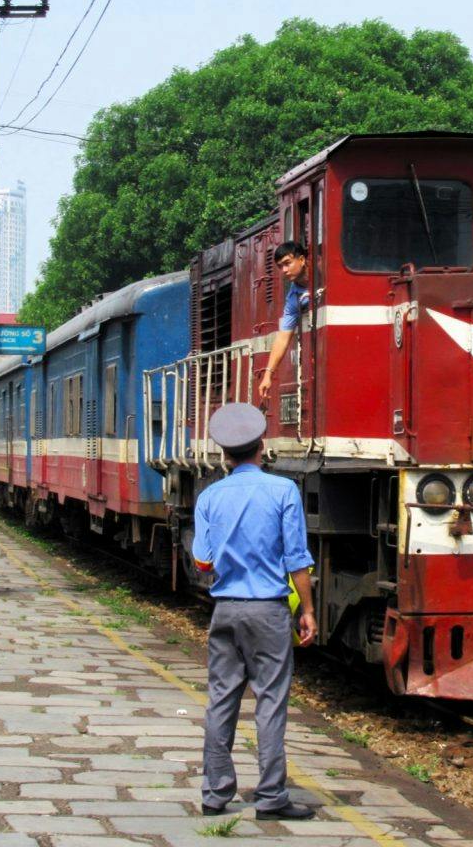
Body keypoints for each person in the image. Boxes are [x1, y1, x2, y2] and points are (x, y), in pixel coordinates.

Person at [193, 402, 317, 821]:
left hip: (225, 611)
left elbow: (203, 561)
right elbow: (297, 559)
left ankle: (214, 793)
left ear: (224, 454)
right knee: (270, 701)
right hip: (268, 611)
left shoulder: (209, 496)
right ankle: (270, 797)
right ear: (261, 448)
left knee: (221, 700)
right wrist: (309, 611)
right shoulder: (283, 491)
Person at [257, 241, 310, 400]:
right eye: (280, 266)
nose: (284, 270)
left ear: (301, 260)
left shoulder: (326, 270)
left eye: (287, 263)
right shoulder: (293, 299)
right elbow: (282, 338)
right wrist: (268, 375)